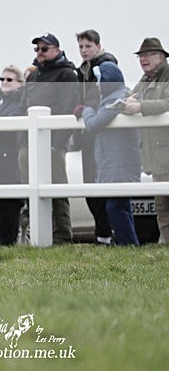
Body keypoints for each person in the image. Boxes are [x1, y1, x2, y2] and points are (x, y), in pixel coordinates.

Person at [18, 33, 78, 244]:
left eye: (44, 49)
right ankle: (34, 235)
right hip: (28, 142)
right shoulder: (33, 76)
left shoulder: (67, 75)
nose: (40, 53)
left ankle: (62, 235)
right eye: (37, 49)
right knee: (29, 190)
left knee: (58, 190)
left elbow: (69, 110)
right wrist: (21, 139)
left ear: (57, 50)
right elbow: (22, 107)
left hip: (53, 142)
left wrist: (56, 144)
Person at [77, 63, 141, 245]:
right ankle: (130, 245)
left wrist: (86, 110)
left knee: (115, 206)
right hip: (116, 162)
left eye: (98, 80)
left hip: (120, 163)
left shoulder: (117, 99)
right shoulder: (114, 97)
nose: (96, 85)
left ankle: (128, 245)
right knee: (121, 205)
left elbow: (94, 124)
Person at [123, 38, 169, 244]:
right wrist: (126, 101)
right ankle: (166, 243)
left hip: (165, 150)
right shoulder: (145, 79)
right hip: (156, 154)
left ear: (161, 57)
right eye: (141, 56)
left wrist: (142, 106)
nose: (143, 59)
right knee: (161, 205)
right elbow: (130, 96)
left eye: (148, 54)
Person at [75, 30, 118, 245]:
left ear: (99, 46)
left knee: (99, 185)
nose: (84, 51)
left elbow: (103, 97)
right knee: (89, 186)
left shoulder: (105, 66)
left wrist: (87, 109)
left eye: (88, 46)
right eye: (81, 47)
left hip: (101, 133)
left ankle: (106, 235)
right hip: (89, 132)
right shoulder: (82, 70)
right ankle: (103, 234)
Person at [0, 65, 26, 245]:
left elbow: (12, 131)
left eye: (9, 79)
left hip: (10, 161)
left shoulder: (20, 103)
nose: (4, 83)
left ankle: (7, 246)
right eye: (2, 79)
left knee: (8, 206)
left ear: (20, 83)